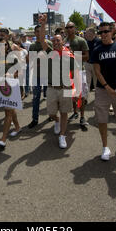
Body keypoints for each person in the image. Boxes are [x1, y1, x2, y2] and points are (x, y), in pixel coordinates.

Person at [90, 22, 116, 161]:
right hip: (103, 89)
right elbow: (97, 71)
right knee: (102, 119)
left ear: (112, 31)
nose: (103, 34)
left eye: (106, 31)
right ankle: (105, 147)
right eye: (100, 32)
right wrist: (107, 87)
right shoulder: (97, 49)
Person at [38, 14, 75, 149]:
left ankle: (62, 136)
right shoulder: (50, 52)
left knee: (64, 112)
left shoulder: (69, 55)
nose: (56, 43)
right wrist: (43, 24)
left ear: (62, 42)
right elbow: (42, 39)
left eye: (58, 41)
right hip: (52, 88)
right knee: (51, 113)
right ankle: (56, 121)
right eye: (54, 41)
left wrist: (76, 90)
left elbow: (75, 73)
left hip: (65, 87)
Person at [0, 38, 21, 149]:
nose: (2, 47)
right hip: (1, 87)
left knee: (8, 113)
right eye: (0, 45)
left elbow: (20, 71)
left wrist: (11, 74)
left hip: (12, 87)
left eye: (4, 45)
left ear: (7, 46)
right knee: (9, 110)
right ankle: (18, 127)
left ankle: (3, 139)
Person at [64, 21, 90, 130]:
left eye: (71, 27)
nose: (69, 29)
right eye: (67, 27)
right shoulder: (64, 41)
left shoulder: (81, 40)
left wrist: (73, 55)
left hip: (79, 71)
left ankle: (82, 116)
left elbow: (87, 56)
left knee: (81, 95)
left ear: (75, 28)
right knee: (71, 95)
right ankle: (75, 112)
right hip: (67, 72)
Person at [27, 25, 52, 128]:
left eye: (40, 31)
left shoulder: (48, 43)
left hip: (48, 75)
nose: (39, 33)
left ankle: (51, 115)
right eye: (37, 31)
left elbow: (53, 58)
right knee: (36, 98)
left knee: (50, 98)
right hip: (37, 76)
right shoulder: (32, 45)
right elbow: (30, 61)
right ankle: (35, 119)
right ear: (35, 33)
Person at [84, 27, 101, 91]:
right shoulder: (85, 42)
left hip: (96, 65)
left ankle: (97, 98)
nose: (85, 34)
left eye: (87, 33)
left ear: (91, 33)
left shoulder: (99, 42)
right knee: (86, 82)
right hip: (87, 64)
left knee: (96, 82)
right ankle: (85, 99)